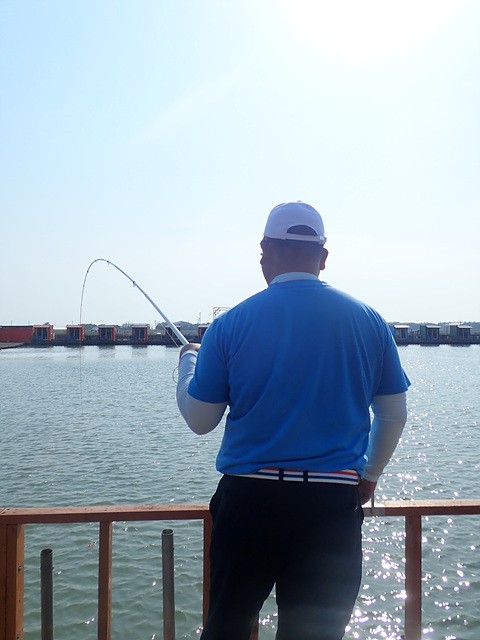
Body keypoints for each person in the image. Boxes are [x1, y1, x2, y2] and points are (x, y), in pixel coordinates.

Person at [176, 201, 410, 640]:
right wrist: (370, 477)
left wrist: (187, 363)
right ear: (323, 257)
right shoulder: (369, 321)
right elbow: (393, 413)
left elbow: (200, 419)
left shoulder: (230, 324)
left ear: (265, 252)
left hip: (249, 502)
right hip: (331, 505)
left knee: (227, 628)